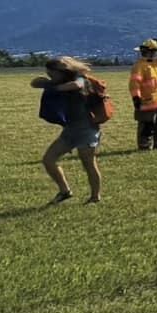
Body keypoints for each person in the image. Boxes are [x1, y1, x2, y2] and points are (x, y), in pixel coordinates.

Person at [31, 56, 102, 204]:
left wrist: (54, 87)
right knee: (48, 160)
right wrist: (48, 82)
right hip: (70, 130)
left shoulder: (80, 78)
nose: (50, 76)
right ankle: (65, 191)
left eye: (52, 73)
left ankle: (95, 197)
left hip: (86, 129)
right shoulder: (57, 80)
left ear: (62, 71)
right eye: (48, 73)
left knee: (89, 164)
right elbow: (34, 83)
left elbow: (77, 85)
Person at [129, 38, 157, 150]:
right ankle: (144, 145)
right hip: (145, 100)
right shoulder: (139, 66)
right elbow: (134, 84)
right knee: (146, 123)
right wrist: (136, 98)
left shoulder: (156, 65)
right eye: (155, 52)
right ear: (150, 52)